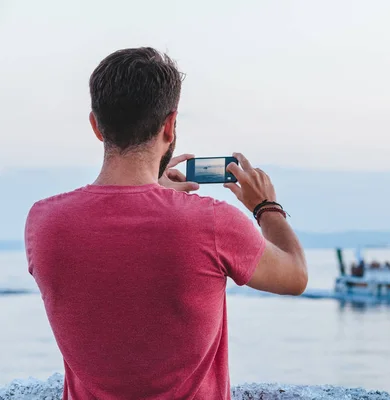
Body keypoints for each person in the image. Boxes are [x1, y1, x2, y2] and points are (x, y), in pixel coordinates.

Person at [24, 48, 307, 400]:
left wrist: (153, 194)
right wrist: (266, 206)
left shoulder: (44, 222)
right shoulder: (212, 223)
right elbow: (295, 276)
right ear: (170, 126)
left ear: (97, 125)